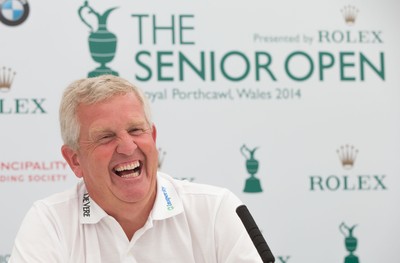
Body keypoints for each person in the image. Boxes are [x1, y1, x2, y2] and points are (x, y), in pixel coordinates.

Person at [9, 75, 263, 262]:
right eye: (106, 136)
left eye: (135, 130)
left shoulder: (216, 210)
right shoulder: (50, 222)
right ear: (75, 160)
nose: (128, 147)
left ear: (152, 136)